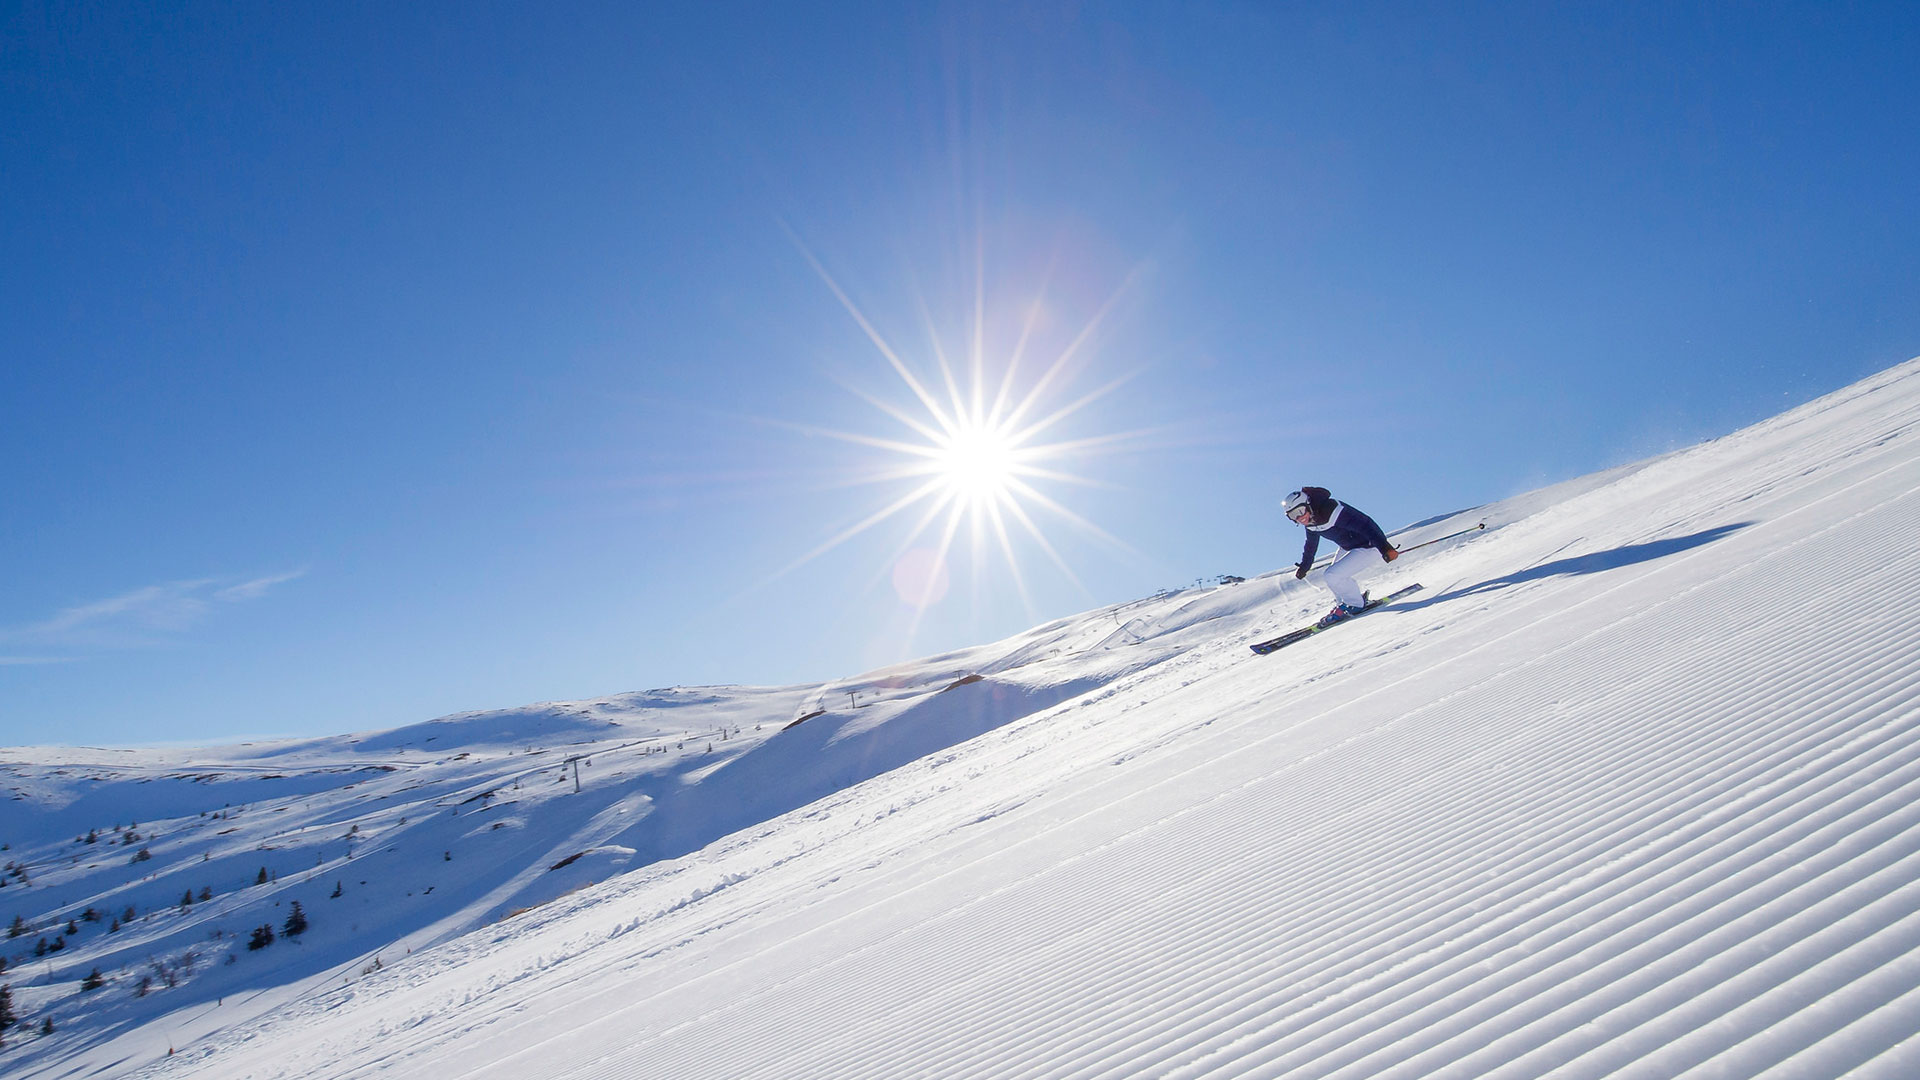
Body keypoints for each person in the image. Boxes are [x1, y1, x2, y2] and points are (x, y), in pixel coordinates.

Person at [1285, 487, 1399, 626]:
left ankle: (1356, 604)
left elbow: (1366, 525)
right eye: (1292, 515)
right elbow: (1311, 545)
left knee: (1332, 575)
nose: (1299, 517)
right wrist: (1305, 566)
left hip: (1369, 546)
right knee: (1333, 578)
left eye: (1300, 511)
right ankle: (1345, 604)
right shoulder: (1310, 522)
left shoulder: (1330, 510)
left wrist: (1384, 547)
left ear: (1307, 504)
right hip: (1349, 547)